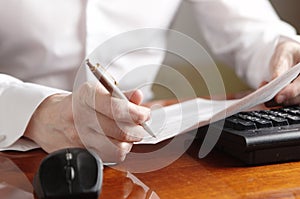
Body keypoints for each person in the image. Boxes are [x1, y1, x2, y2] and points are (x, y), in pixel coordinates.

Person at [1, 0, 300, 163]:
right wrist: (38, 112)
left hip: (141, 143)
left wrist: (281, 49)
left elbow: (247, 25)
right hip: (16, 149)